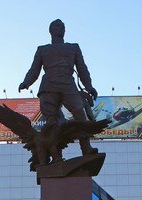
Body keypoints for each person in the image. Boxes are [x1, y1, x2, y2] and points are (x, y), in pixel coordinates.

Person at [19, 19, 99, 155]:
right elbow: (34, 69)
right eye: (57, 26)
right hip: (49, 85)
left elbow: (82, 69)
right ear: (50, 30)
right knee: (52, 121)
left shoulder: (73, 47)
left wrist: (89, 86)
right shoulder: (42, 49)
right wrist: (26, 82)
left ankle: (85, 147)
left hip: (68, 83)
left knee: (80, 112)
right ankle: (56, 155)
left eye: (62, 26)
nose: (60, 27)